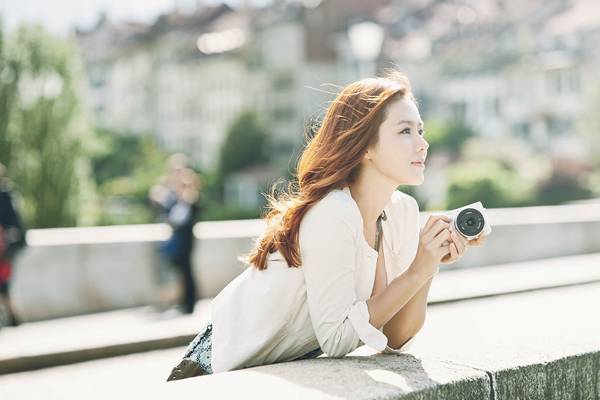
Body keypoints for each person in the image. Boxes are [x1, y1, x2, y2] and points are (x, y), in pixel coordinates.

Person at [166, 72, 487, 380]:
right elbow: (335, 339)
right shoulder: (333, 212)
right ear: (364, 146)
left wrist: (428, 264)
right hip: (214, 369)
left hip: (274, 371)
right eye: (405, 131)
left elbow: (395, 337)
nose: (422, 144)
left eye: (421, 130)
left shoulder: (402, 211)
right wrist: (415, 271)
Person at [150, 154, 202, 314]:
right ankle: (185, 302)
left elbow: (181, 216)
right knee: (184, 272)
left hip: (185, 240)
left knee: (186, 271)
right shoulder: (175, 191)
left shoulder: (188, 191)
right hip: (181, 238)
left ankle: (189, 303)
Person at [0, 163, 26, 327]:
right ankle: (12, 316)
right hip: (6, 245)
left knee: (3, 282)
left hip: (6, 245)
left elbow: (14, 225)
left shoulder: (6, 195)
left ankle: (13, 316)